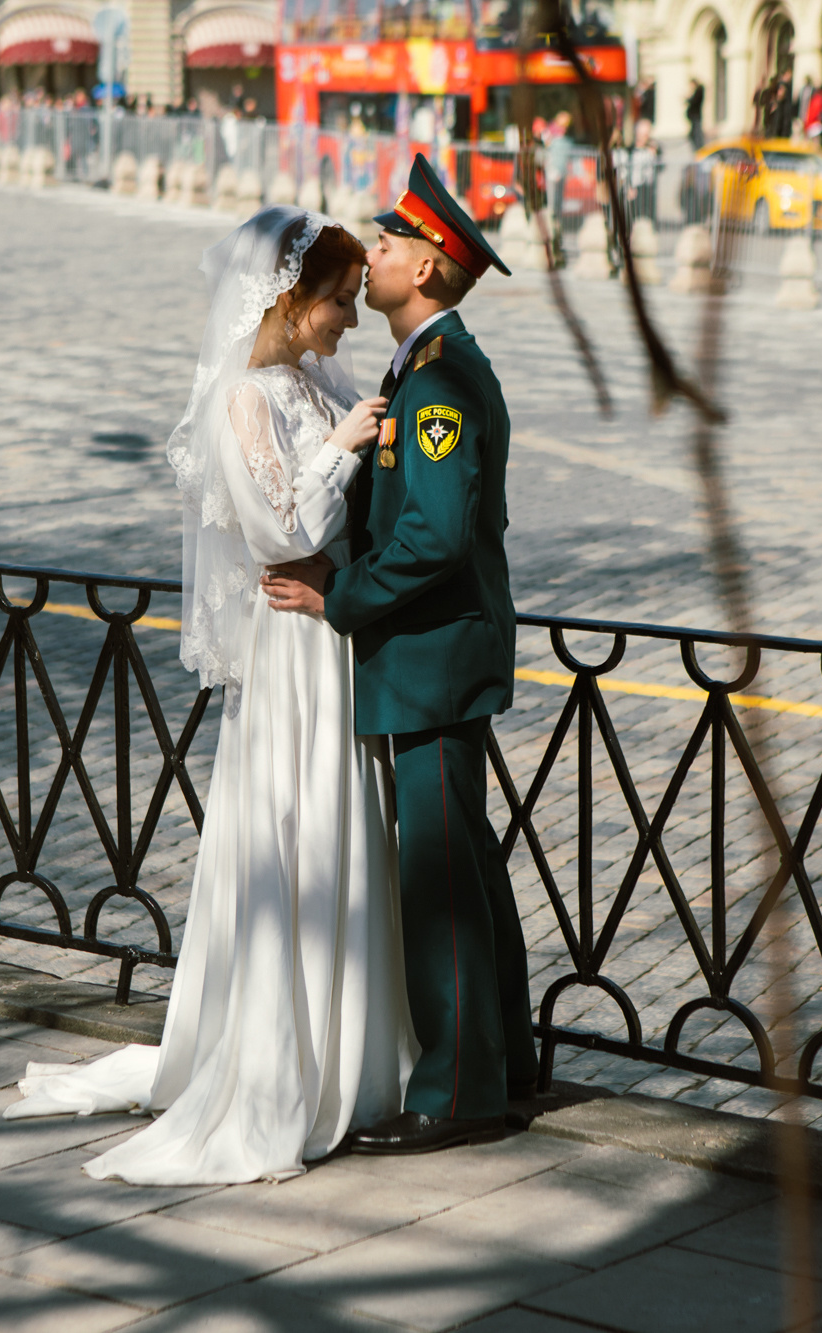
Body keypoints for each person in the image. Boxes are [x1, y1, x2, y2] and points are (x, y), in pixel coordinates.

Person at [0, 207, 411, 1184]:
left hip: (328, 636)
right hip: (291, 643)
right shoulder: (244, 400)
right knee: (294, 827)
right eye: (338, 302)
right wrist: (346, 447)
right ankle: (282, 1061)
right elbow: (280, 536)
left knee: (338, 823)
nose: (350, 320)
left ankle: (351, 1053)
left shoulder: (308, 384)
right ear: (290, 300)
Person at [265, 156, 535, 1155]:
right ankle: (504, 1057)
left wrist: (342, 600)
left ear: (423, 264)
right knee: (460, 862)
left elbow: (433, 533)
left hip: (428, 655)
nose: (368, 255)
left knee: (437, 874)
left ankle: (458, 1089)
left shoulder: (440, 377)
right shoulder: (422, 363)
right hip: (434, 655)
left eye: (384, 244)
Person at [685, 77, 705, 152]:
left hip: (695, 116)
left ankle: (699, 149)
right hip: (693, 116)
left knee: (696, 134)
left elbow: (694, 101)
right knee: (693, 134)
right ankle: (698, 149)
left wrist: (688, 99)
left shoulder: (699, 91)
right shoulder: (697, 91)